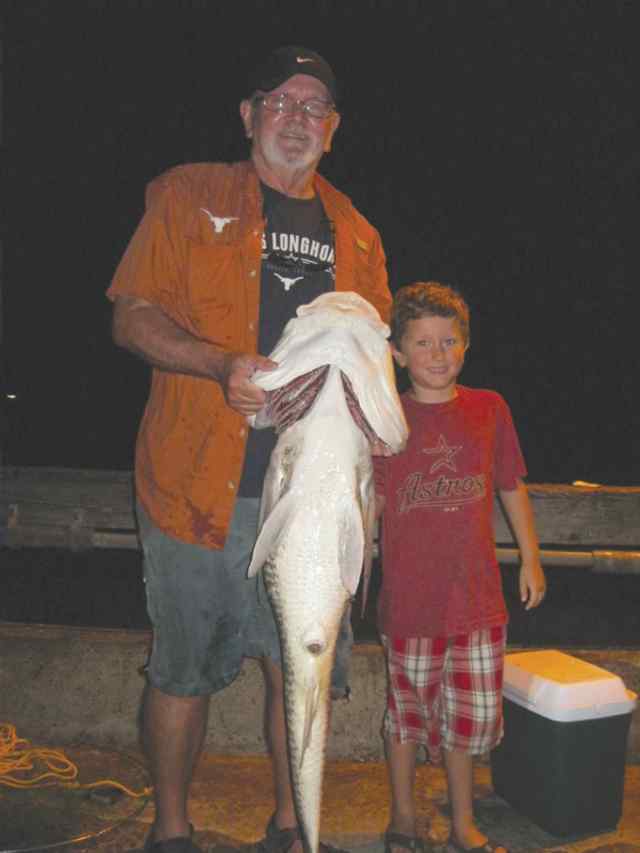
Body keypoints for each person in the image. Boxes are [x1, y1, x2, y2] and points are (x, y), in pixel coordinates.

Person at [107, 46, 391, 853]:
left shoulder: (360, 235)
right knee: (182, 668)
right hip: (198, 481)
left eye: (315, 109)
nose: (296, 120)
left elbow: (372, 358)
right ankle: (171, 832)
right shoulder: (187, 194)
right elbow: (130, 315)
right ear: (248, 114)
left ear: (332, 130)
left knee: (296, 666)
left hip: (313, 493)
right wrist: (218, 364)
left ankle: (292, 826)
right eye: (281, 102)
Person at [374, 283, 546, 853]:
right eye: (422, 343)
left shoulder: (488, 408)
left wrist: (531, 558)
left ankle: (462, 825)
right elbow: (360, 501)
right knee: (406, 720)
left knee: (465, 725)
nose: (438, 354)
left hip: (477, 601)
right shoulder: (383, 415)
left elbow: (510, 485)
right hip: (408, 603)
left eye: (449, 341)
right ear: (396, 352)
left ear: (466, 346)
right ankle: (402, 819)